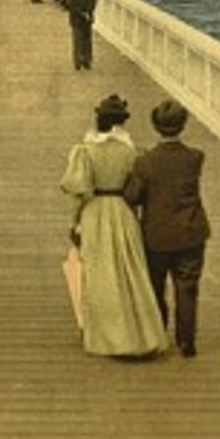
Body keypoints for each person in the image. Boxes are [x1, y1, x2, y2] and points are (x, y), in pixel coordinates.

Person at [59, 94, 168, 358]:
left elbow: (79, 190)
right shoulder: (132, 151)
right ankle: (140, 333)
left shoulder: (85, 151)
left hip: (96, 211)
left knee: (100, 276)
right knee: (131, 271)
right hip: (123, 210)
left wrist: (73, 222)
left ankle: (109, 337)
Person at [123, 99, 211, 358]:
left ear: (155, 126)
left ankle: (159, 333)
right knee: (187, 287)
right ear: (183, 125)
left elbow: (133, 197)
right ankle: (187, 341)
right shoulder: (195, 157)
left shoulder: (145, 162)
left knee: (155, 286)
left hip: (157, 234)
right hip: (191, 231)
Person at [64, 0, 96, 71]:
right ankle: (87, 60)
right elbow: (93, 0)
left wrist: (80, 12)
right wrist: (88, 12)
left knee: (77, 40)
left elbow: (69, 3)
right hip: (88, 16)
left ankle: (77, 62)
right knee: (87, 39)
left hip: (76, 16)